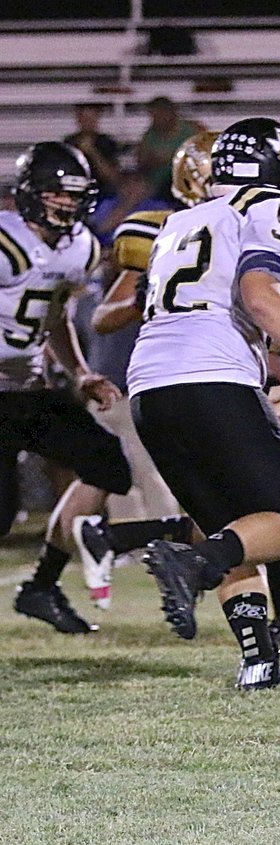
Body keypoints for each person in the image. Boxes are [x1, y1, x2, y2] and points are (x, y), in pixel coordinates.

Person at [129, 117, 280, 689]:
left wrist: (256, 387)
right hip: (207, 376)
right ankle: (191, 564)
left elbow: (198, 310)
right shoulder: (275, 209)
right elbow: (257, 296)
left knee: (234, 529)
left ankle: (259, 661)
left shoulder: (182, 220)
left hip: (152, 386)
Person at [1, 142, 187, 634]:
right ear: (30, 195)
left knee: (107, 462)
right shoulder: (6, 241)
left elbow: (56, 314)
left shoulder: (81, 246)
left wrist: (80, 372)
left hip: (30, 389)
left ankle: (41, 586)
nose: (66, 203)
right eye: (56, 194)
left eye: (74, 194)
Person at [136, 96, 203, 202]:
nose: (155, 120)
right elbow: (141, 163)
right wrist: (154, 160)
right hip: (158, 181)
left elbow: (204, 155)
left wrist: (175, 155)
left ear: (170, 113)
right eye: (153, 116)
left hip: (185, 178)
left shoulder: (191, 130)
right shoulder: (150, 134)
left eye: (158, 115)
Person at [63, 104, 123, 200]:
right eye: (84, 117)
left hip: (103, 189)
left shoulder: (106, 142)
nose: (88, 122)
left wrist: (92, 152)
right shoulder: (69, 142)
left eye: (91, 117)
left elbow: (112, 177)